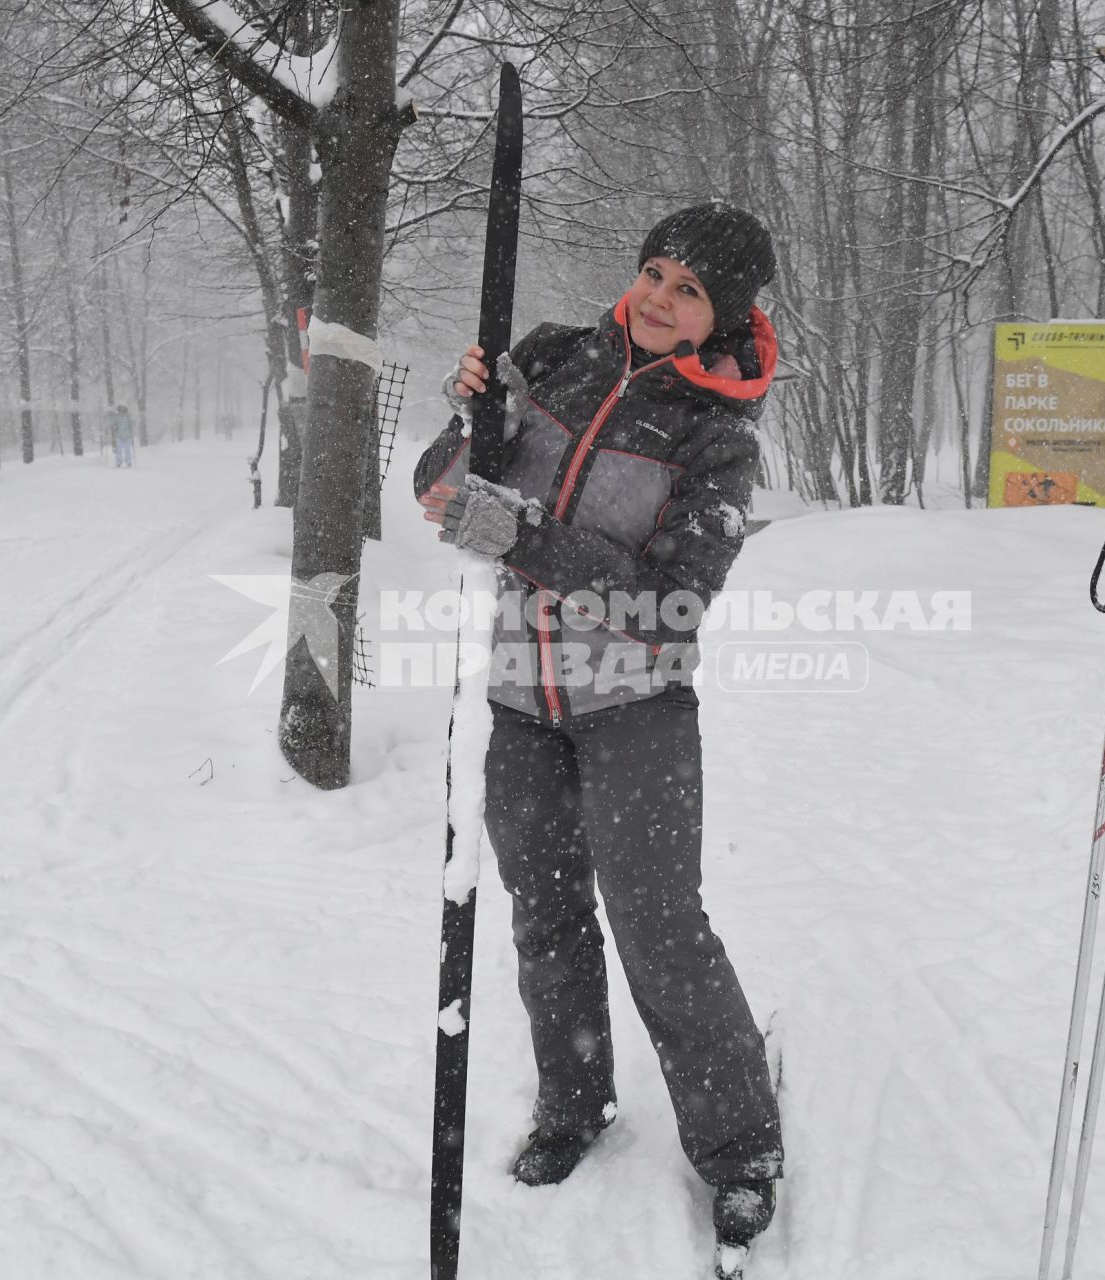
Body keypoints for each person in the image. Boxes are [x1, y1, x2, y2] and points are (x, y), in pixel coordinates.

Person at [413, 202, 784, 1253]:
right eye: (656, 270)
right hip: (521, 704)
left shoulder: (718, 436)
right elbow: (439, 489)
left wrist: (522, 536)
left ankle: (741, 1143)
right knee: (546, 914)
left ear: (723, 315)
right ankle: (575, 1101)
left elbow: (672, 599)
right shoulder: (554, 357)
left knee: (661, 929)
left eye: (691, 289)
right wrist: (472, 422)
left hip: (637, 714)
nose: (661, 297)